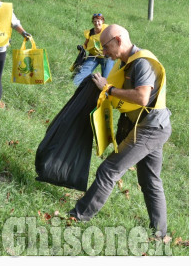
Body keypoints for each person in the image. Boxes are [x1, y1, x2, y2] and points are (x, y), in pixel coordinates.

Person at [69, 24, 171, 237]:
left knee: (109, 170)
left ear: (118, 40)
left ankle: (78, 216)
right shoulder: (125, 62)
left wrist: (109, 89)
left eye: (106, 47)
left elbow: (143, 97)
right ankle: (160, 234)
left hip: (150, 127)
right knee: (150, 180)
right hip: (151, 125)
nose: (104, 53)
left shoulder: (141, 63)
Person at [72, 13, 114, 86]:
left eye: (98, 21)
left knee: (107, 81)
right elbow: (86, 44)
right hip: (94, 56)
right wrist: (82, 48)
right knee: (79, 77)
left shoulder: (107, 30)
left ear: (102, 21)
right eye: (95, 21)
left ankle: (104, 95)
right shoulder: (90, 32)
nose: (97, 23)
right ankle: (74, 87)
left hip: (106, 57)